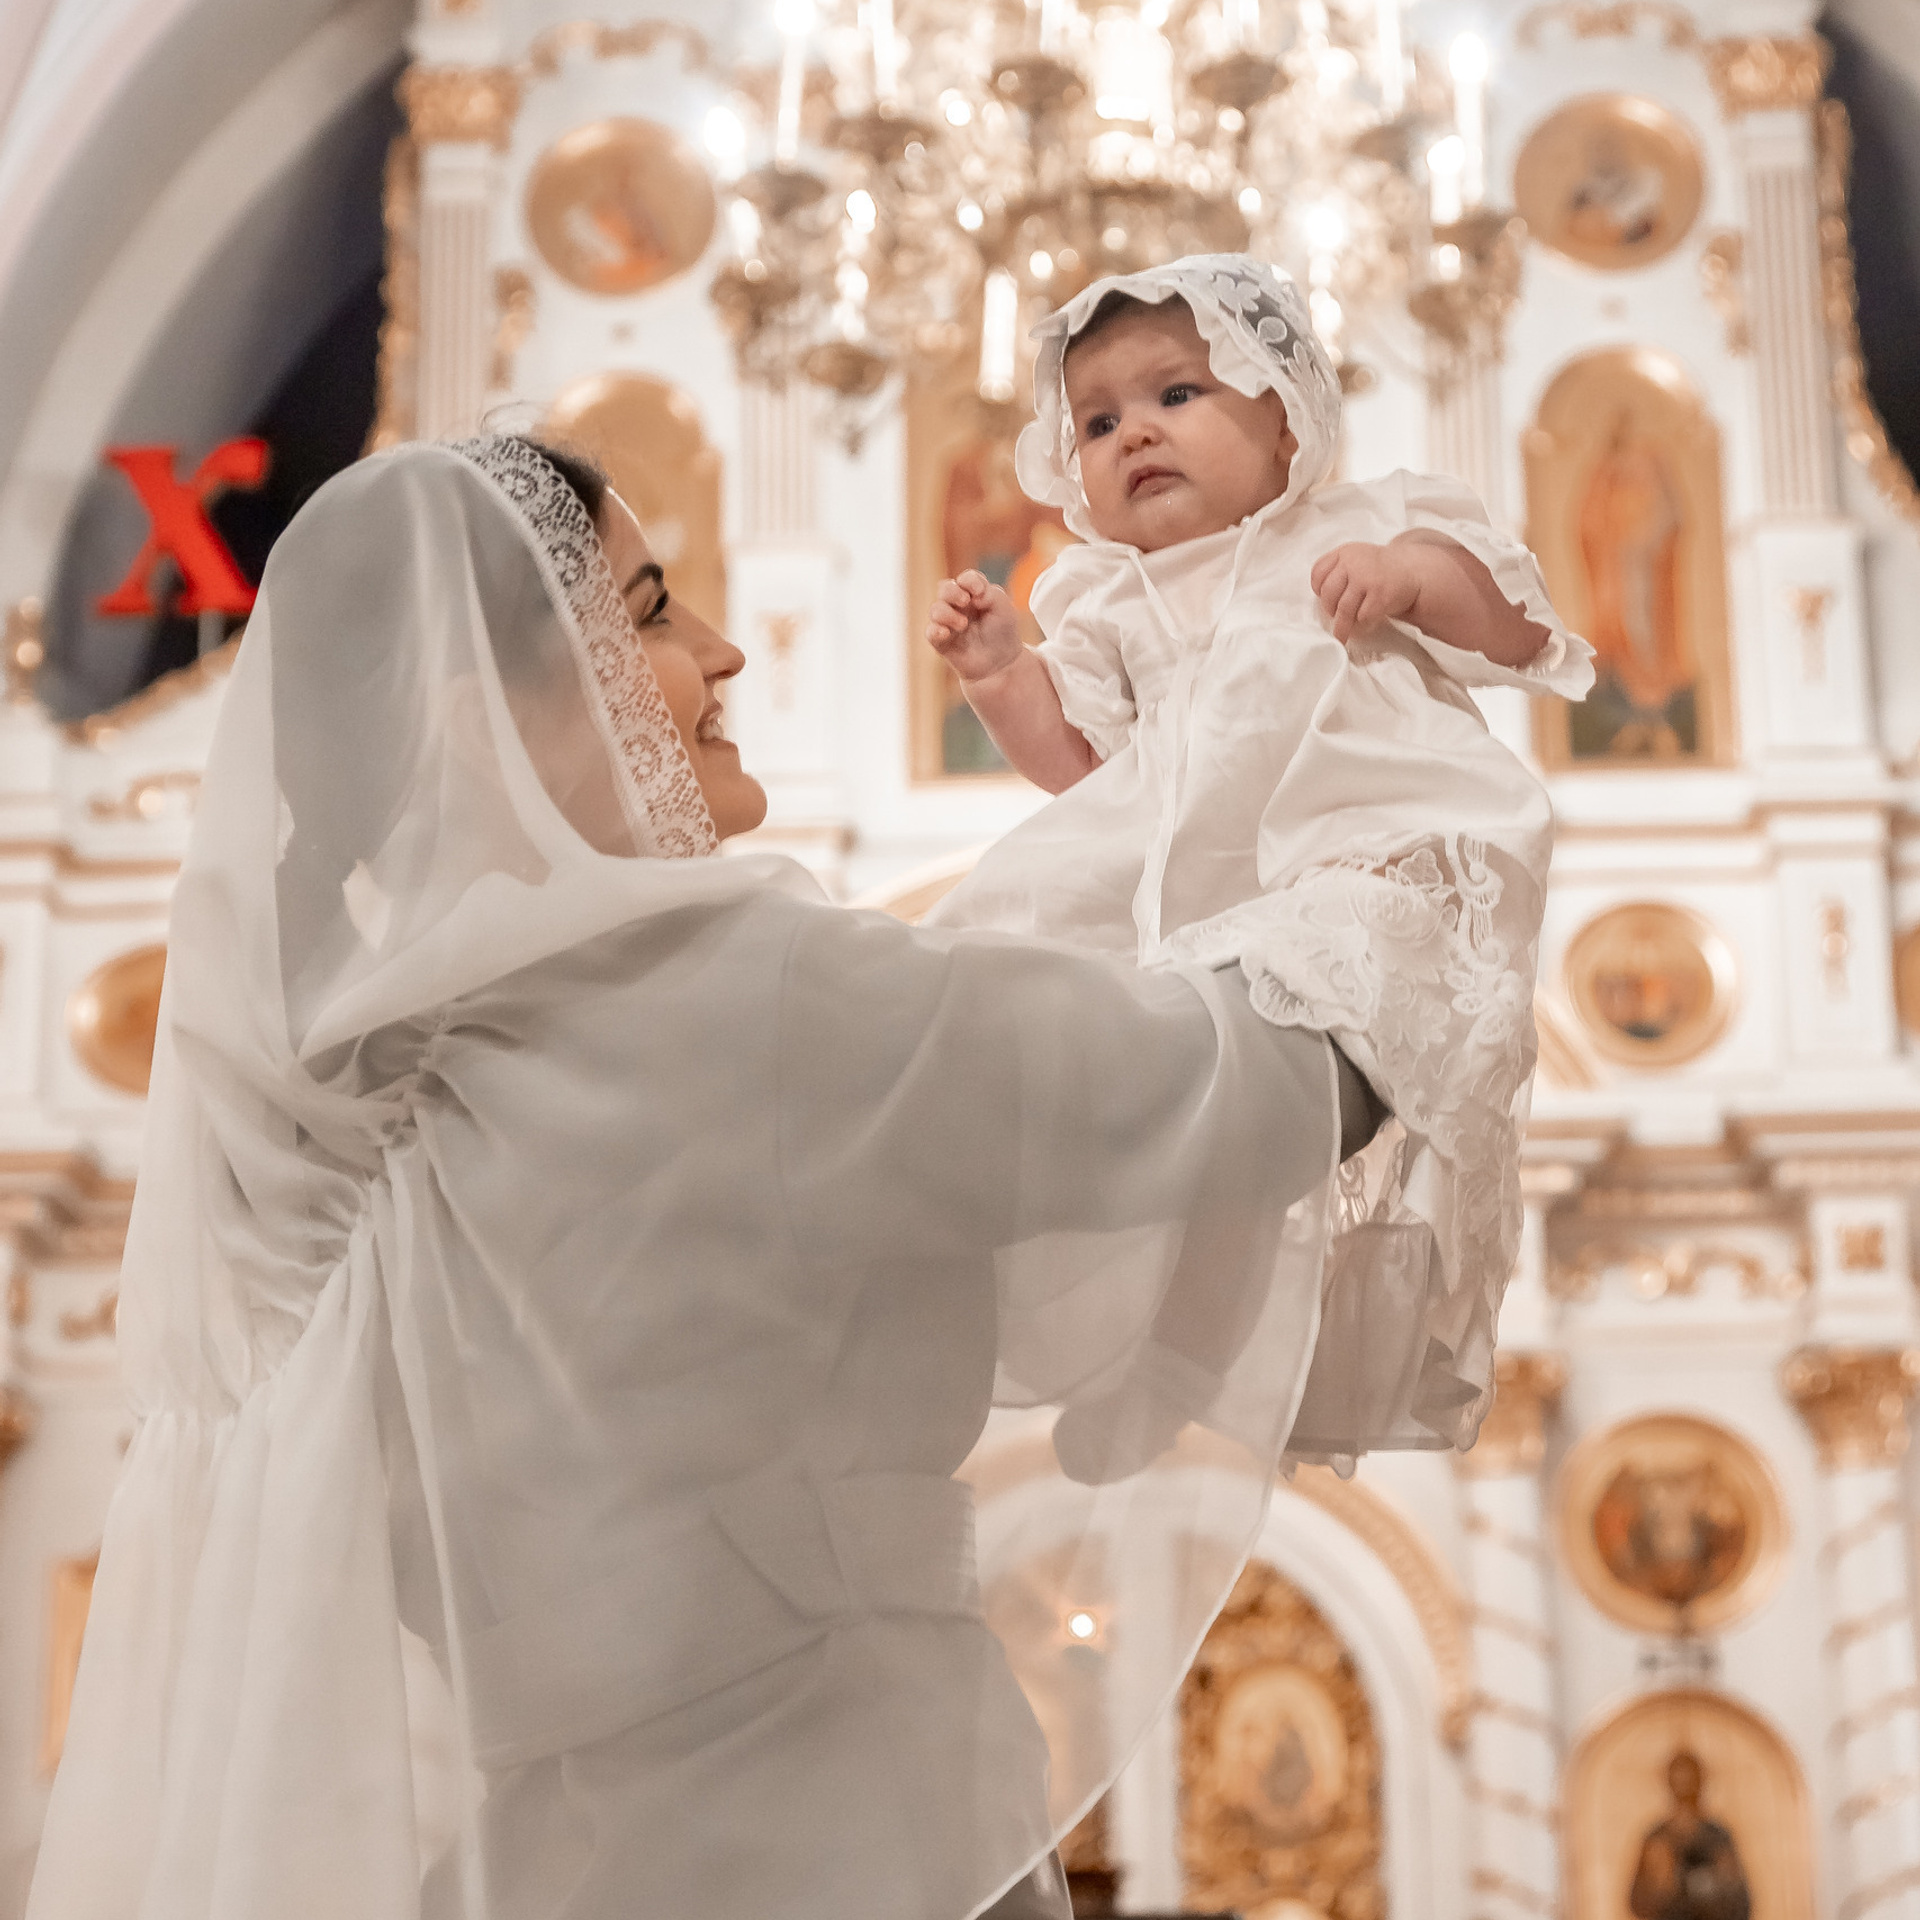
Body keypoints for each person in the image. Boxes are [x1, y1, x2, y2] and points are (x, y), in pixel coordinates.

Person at [28, 434, 1384, 1920]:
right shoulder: (733, 998)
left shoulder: (350, 1111)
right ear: (496, 718)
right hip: (851, 1841)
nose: (727, 651)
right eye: (657, 609)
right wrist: (1381, 780)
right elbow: (1272, 1081)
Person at [924, 255, 1596, 1458]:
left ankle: (1193, 1356)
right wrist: (999, 677)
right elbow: (1079, 760)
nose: (1135, 434)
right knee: (1191, 1127)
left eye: (1178, 394)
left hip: (1368, 850)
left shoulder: (1358, 523)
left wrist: (1409, 580)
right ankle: (1167, 1357)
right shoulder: (1110, 597)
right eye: (1098, 421)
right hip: (1205, 892)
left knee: (1279, 1090)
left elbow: (1516, 626)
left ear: (1286, 418)